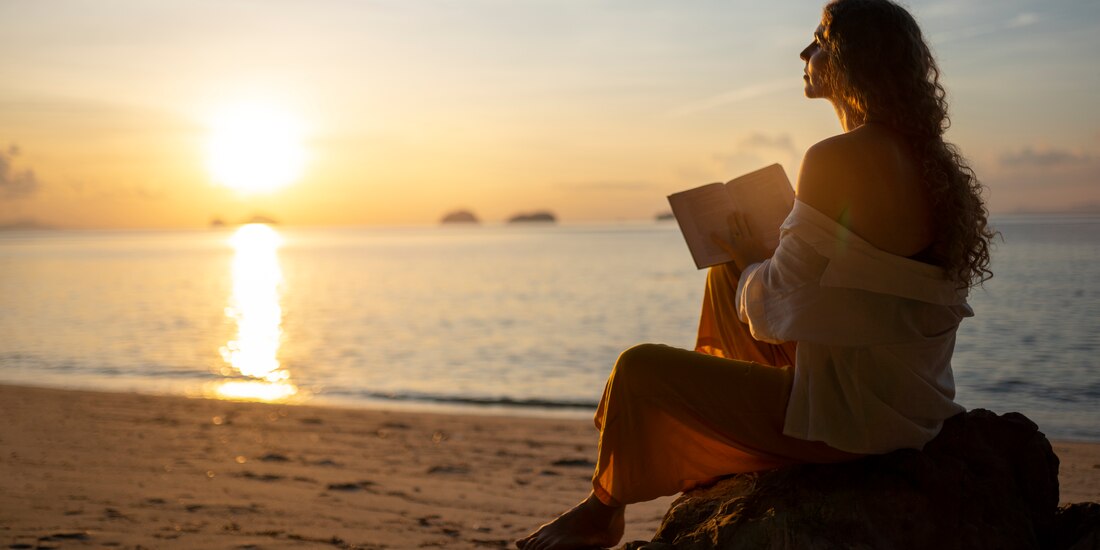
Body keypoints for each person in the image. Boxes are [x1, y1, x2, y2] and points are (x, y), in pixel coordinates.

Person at [516, 0, 996, 548]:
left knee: (636, 368)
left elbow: (770, 311)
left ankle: (603, 510)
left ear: (848, 60)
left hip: (852, 424)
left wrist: (752, 259)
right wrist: (748, 265)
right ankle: (722, 424)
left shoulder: (836, 158)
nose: (805, 51)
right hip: (912, 406)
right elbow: (858, 294)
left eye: (818, 40)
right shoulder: (933, 164)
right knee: (725, 277)